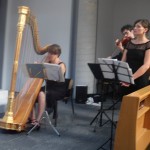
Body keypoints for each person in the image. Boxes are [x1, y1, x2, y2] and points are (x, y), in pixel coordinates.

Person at [30, 44, 66, 128]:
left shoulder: (61, 65)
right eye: (49, 53)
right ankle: (33, 119)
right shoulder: (47, 62)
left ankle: (38, 121)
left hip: (58, 89)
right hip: (48, 87)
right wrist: (38, 66)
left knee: (41, 93)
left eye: (51, 53)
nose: (49, 55)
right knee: (32, 92)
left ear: (57, 54)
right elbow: (38, 73)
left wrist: (46, 69)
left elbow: (59, 79)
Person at [120, 19, 150, 95]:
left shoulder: (148, 44)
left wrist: (131, 78)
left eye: (138, 26)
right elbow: (123, 61)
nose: (135, 28)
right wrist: (123, 77)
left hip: (140, 78)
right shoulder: (129, 43)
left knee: (137, 104)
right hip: (127, 77)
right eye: (134, 26)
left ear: (145, 30)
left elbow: (146, 65)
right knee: (125, 103)